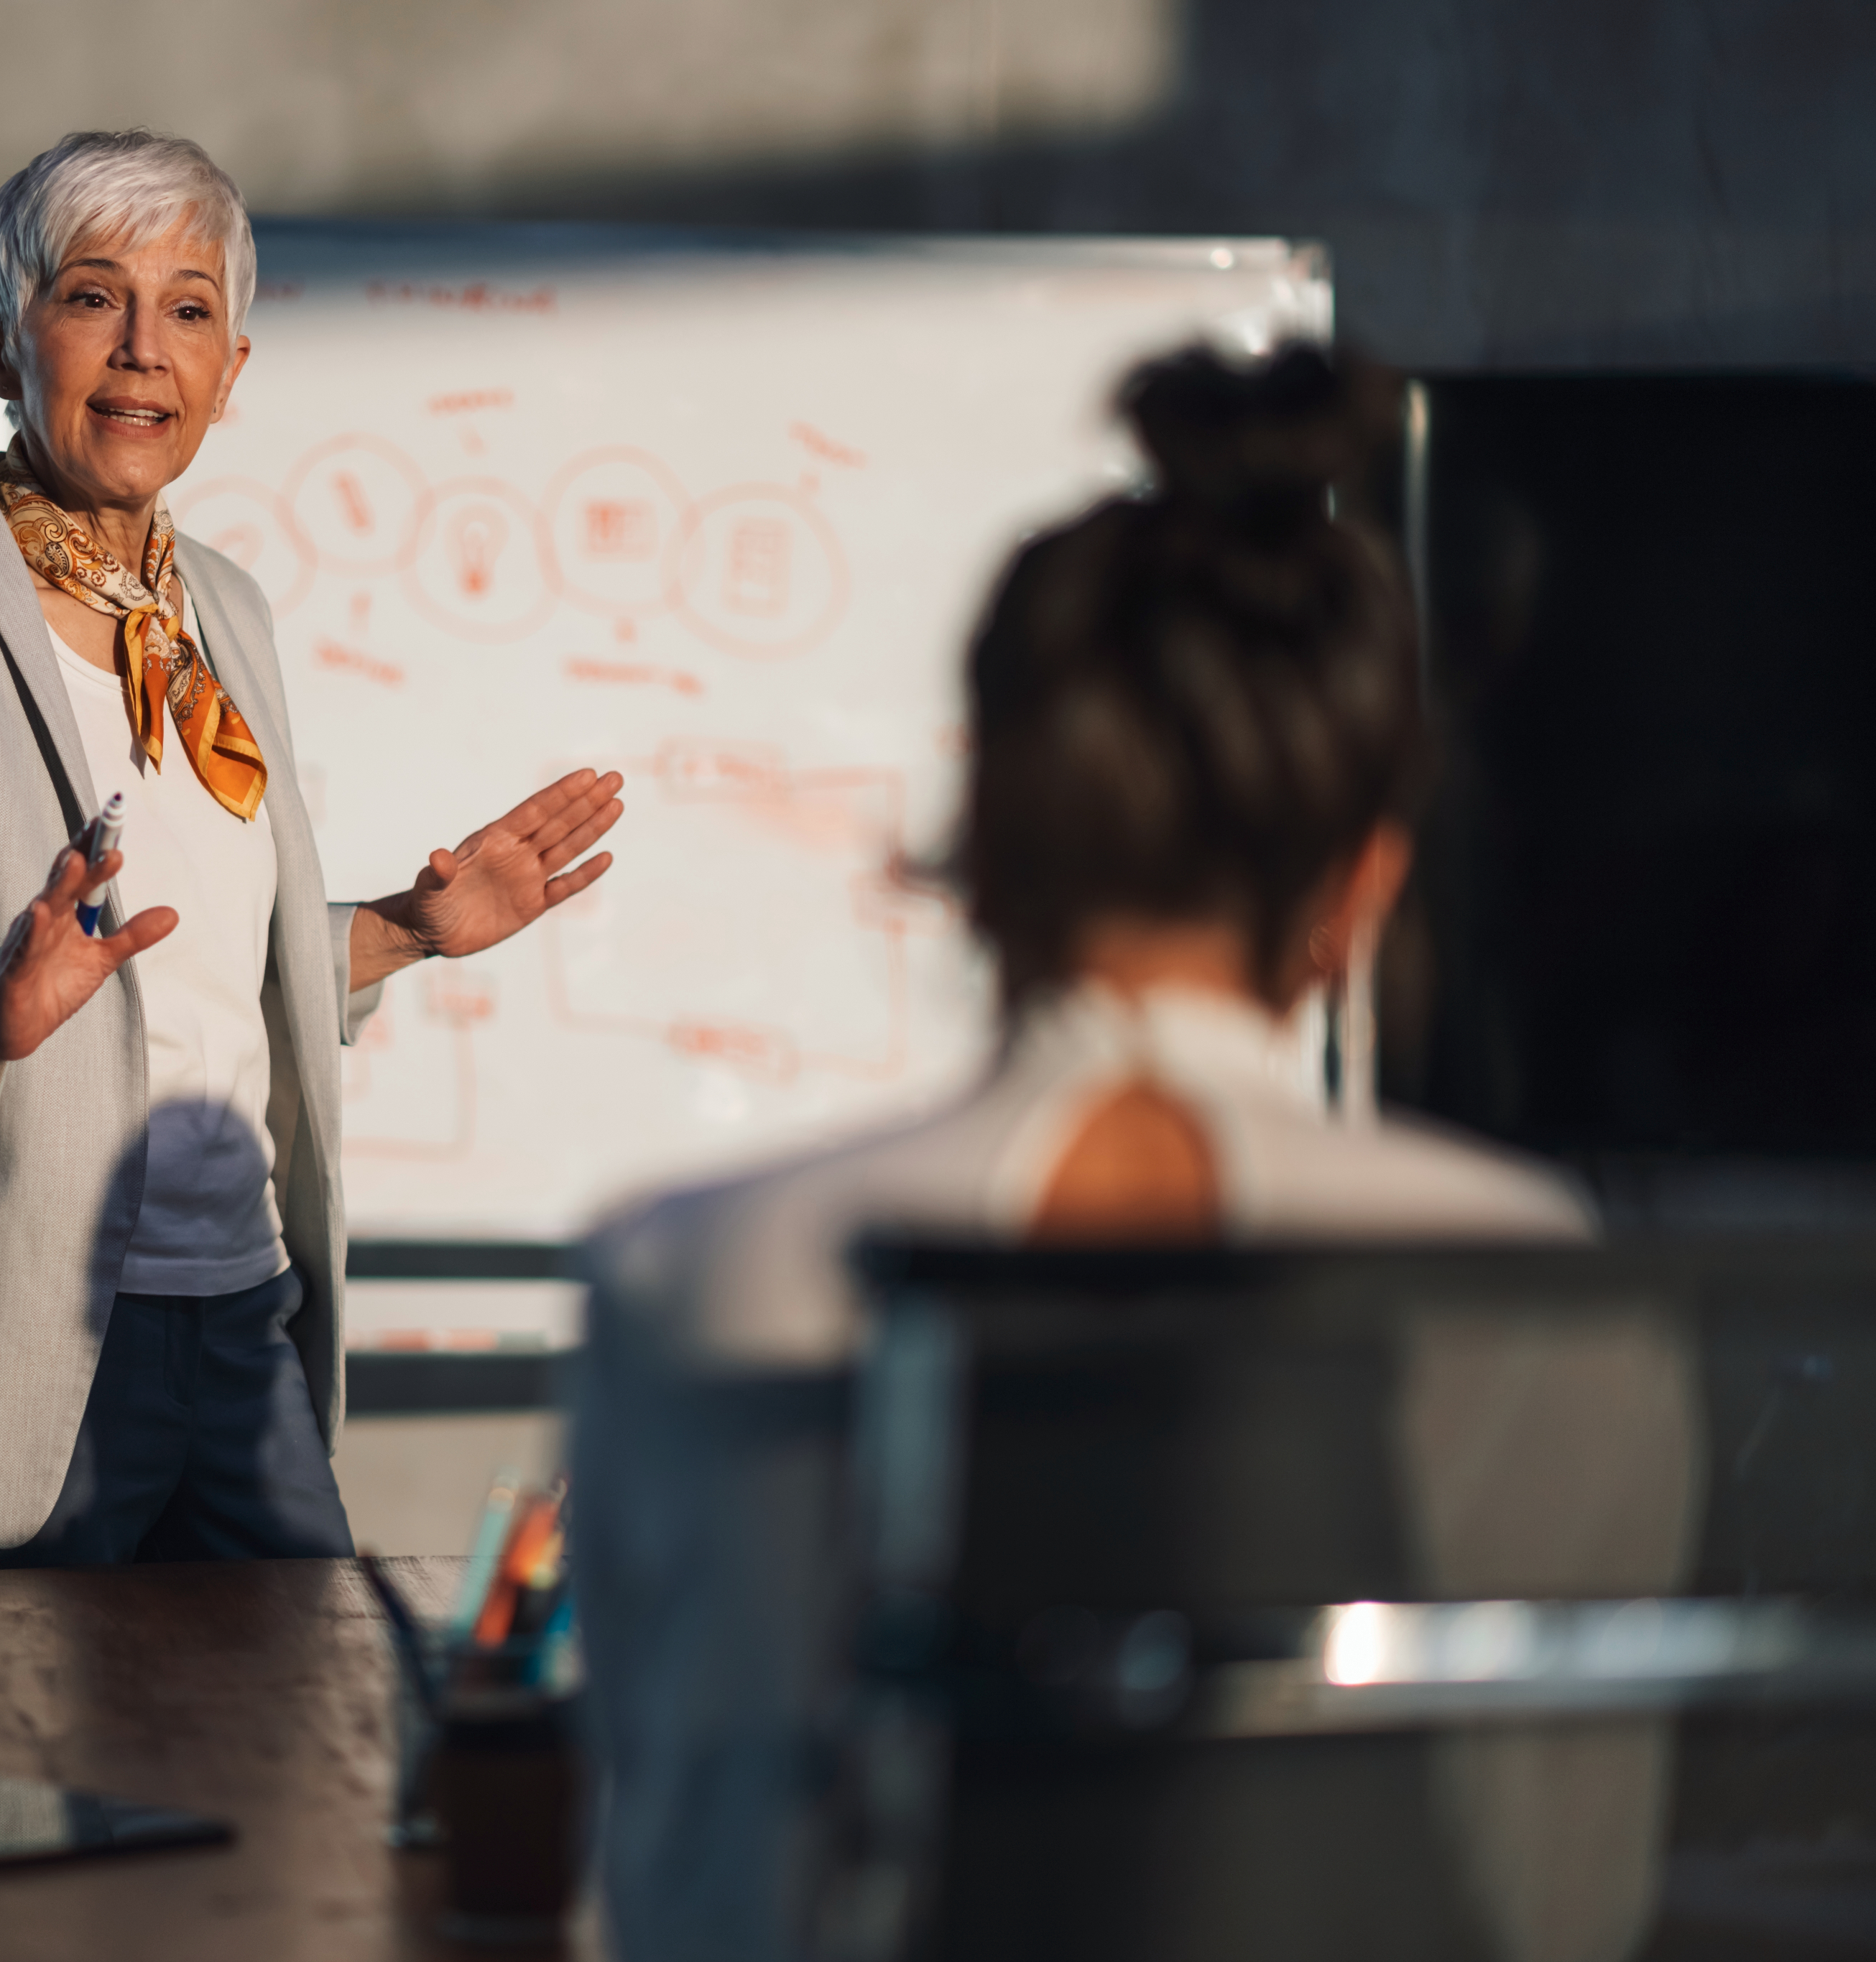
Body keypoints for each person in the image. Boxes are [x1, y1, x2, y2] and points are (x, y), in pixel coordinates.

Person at [570, 346, 1693, 1962]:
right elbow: (1549, 1902)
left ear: (981, 851)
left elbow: (683, 1887)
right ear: (1362, 888)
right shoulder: (1534, 1280)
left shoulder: (694, 1267)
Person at [0, 129, 621, 1575]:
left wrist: (407, 926)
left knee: (307, 1787)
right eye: (92, 297)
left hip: (242, 1334)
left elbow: (215, 973)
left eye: (187, 308)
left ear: (232, 369)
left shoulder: (222, 613)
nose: (142, 351)